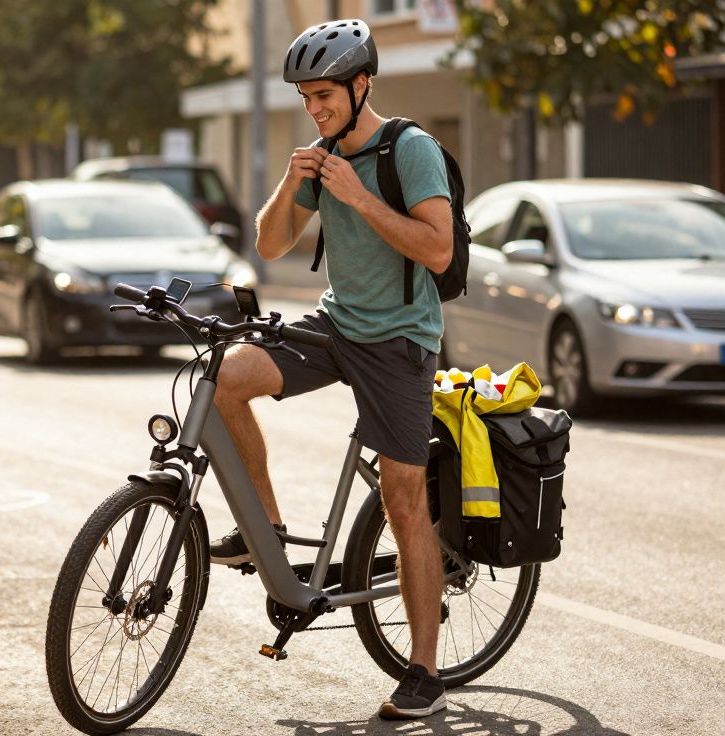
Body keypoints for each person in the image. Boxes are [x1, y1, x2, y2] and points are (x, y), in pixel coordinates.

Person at [207, 18, 454, 720]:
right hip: (338, 325)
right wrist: (292, 184)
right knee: (228, 377)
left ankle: (425, 671)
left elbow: (436, 251)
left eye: (323, 96)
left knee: (405, 499)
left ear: (360, 83)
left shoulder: (411, 151)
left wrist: (357, 197)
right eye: (306, 99)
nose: (314, 110)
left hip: (402, 341)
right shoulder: (322, 155)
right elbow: (270, 244)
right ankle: (271, 535)